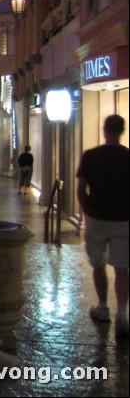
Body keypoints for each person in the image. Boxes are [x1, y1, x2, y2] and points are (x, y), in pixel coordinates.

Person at [76, 114, 128, 340]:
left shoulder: (91, 155)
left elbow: (81, 187)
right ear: (122, 131)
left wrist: (86, 210)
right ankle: (123, 314)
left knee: (98, 264)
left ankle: (103, 307)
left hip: (97, 217)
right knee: (122, 267)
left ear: (104, 130)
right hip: (124, 219)